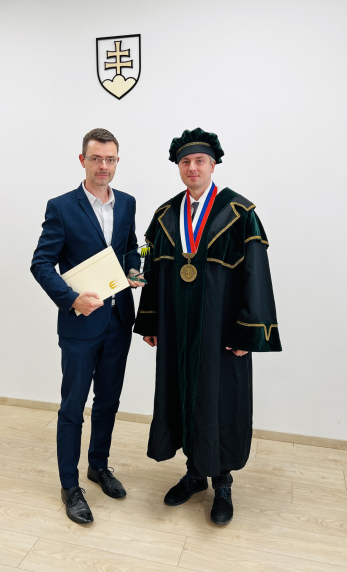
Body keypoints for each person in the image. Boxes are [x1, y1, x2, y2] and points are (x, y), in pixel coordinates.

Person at [134, 127, 282, 526]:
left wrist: (247, 331)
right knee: (182, 394)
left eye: (200, 160)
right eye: (185, 161)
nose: (192, 167)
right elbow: (152, 270)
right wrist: (150, 321)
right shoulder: (166, 215)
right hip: (177, 330)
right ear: (179, 168)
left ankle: (223, 481)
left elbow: (256, 275)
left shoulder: (239, 212)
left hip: (221, 333)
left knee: (220, 400)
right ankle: (195, 475)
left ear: (213, 165)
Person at [31, 128, 143, 525]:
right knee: (73, 407)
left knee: (108, 401)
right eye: (96, 158)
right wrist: (71, 298)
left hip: (118, 320)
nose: (103, 166)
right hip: (80, 325)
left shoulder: (127, 203)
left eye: (110, 159)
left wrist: (134, 270)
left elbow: (130, 247)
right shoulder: (61, 207)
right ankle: (70, 486)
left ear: (117, 162)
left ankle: (98, 466)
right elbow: (41, 263)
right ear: (83, 160)